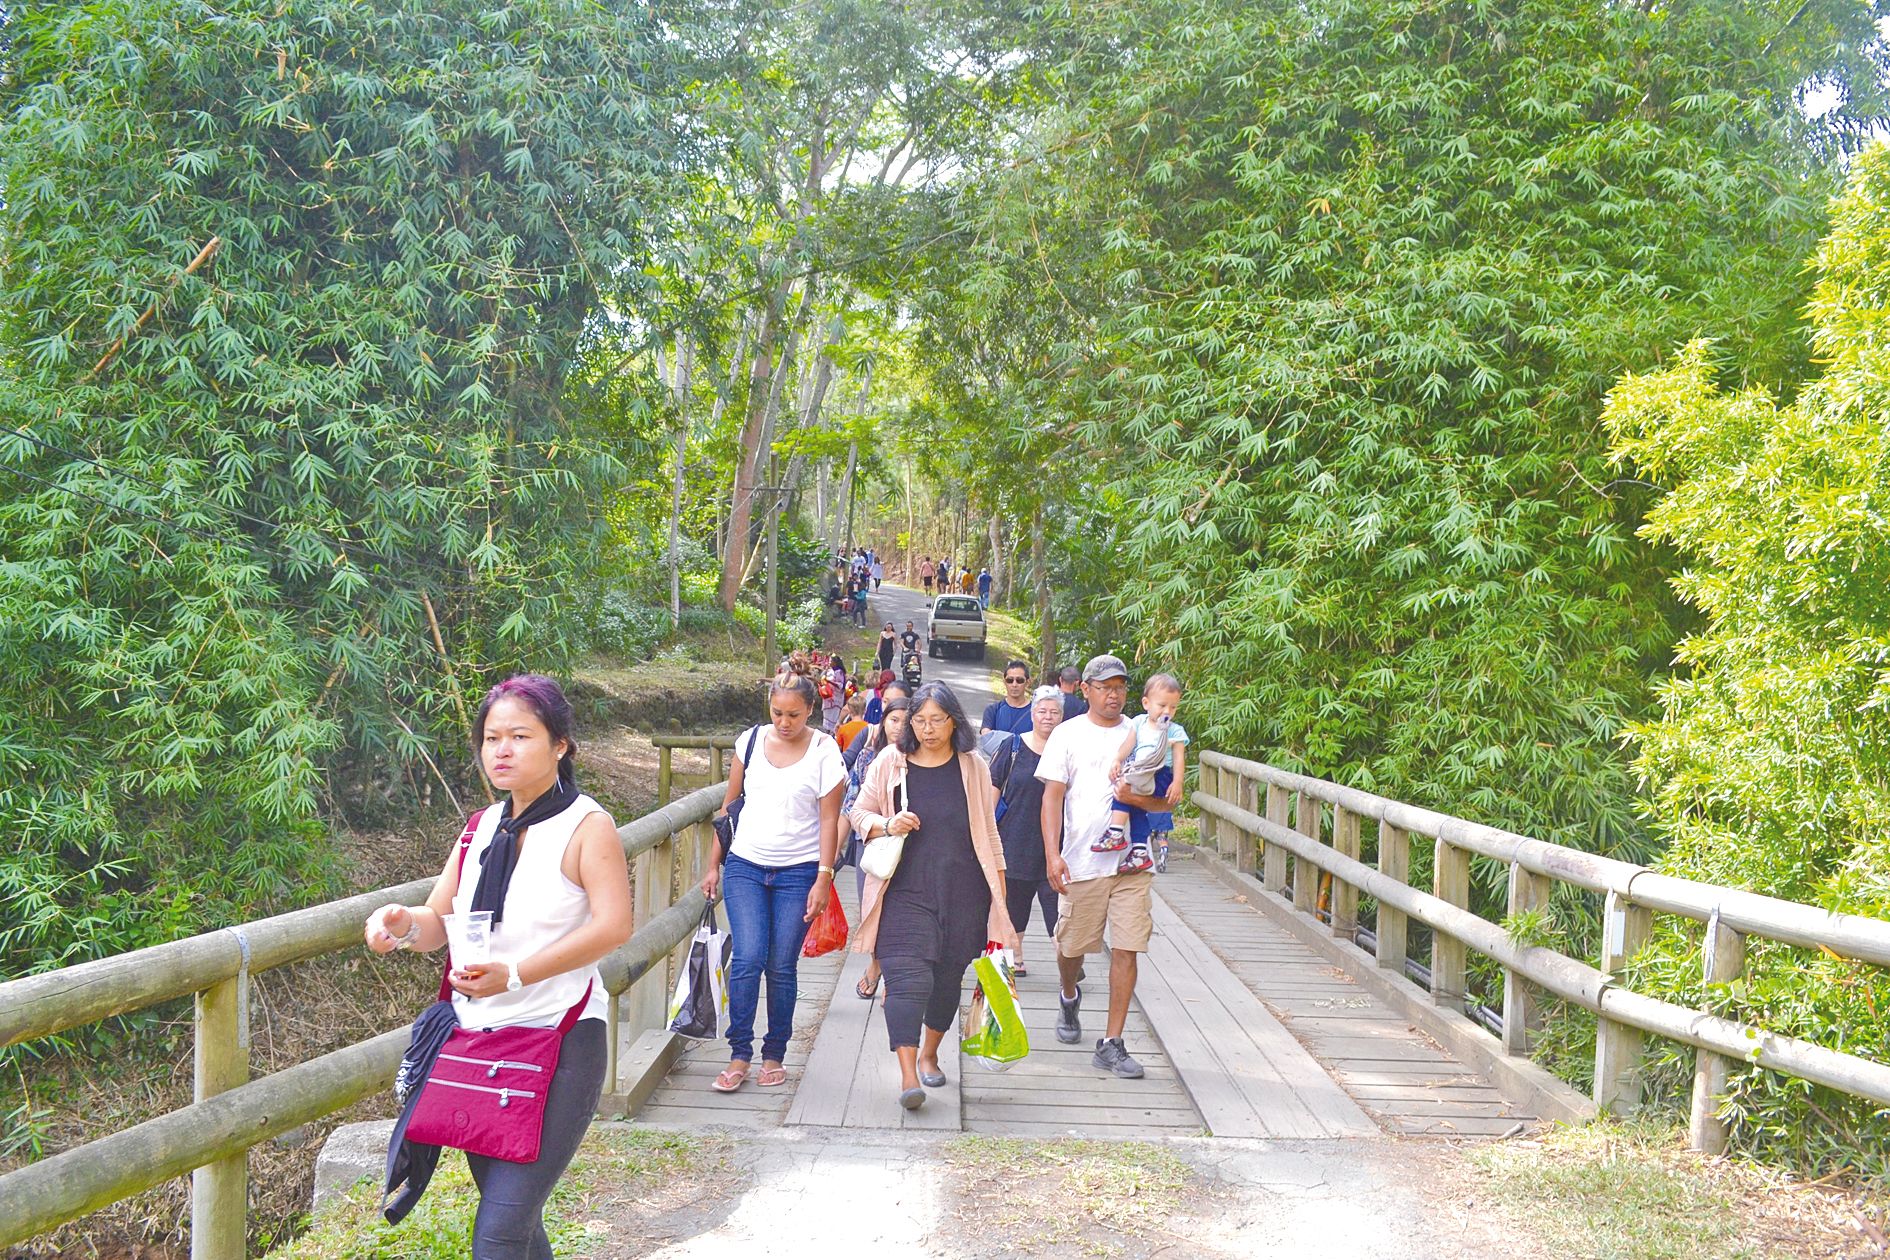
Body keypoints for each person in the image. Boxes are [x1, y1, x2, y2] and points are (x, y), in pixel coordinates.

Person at [366, 675, 630, 1258]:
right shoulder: (479, 829)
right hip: (480, 1046)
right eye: (490, 739)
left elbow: (613, 927)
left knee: (499, 1233)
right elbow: (438, 921)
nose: (501, 751)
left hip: (560, 1041)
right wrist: (400, 924)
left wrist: (514, 975)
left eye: (519, 736)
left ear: (561, 745)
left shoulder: (587, 827)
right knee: (518, 1228)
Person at [848, 683, 1018, 1109]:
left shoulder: (973, 766)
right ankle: (908, 1075)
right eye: (918, 720)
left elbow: (990, 835)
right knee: (908, 978)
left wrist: (1002, 905)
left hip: (964, 893)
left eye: (936, 720)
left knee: (945, 980)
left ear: (954, 722)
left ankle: (929, 1053)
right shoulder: (891, 761)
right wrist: (888, 824)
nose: (926, 729)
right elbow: (858, 813)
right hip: (903, 891)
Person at [699, 673, 846, 1093]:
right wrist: (714, 864)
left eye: (794, 715)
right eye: (777, 712)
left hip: (799, 870)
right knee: (747, 958)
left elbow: (829, 819)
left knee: (781, 964)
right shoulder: (750, 741)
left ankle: (774, 1053)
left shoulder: (824, 751)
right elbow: (728, 808)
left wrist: (824, 876)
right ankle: (739, 1053)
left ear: (810, 711)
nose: (784, 722)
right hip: (745, 864)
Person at [1036, 654, 1150, 1079]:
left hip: (1132, 862)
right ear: (1085, 690)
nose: (1113, 694)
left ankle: (1112, 1042)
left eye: (1120, 686)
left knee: (1127, 946)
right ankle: (1069, 993)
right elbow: (1052, 798)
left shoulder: (1143, 733)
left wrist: (1142, 799)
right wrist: (1052, 852)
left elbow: (1163, 799)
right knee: (1072, 947)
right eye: (1104, 686)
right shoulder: (1067, 735)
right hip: (1083, 860)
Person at [988, 686, 1064, 976]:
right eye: (1042, 711)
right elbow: (993, 790)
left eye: (1054, 712)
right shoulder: (1013, 746)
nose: (1048, 717)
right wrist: (985, 833)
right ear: (1032, 713)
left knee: (1056, 907)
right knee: (1015, 906)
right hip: (1014, 840)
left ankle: (1068, 965)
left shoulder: (1066, 750)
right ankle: (1015, 958)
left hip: (1056, 844)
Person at [840, 695, 909, 1001]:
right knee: (872, 912)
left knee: (897, 915)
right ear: (883, 721)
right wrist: (829, 860)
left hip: (905, 847)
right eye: (894, 720)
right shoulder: (868, 754)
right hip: (869, 843)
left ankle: (889, 977)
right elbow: (850, 806)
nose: (899, 728)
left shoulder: (916, 759)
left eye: (907, 722)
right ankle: (875, 966)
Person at [1100, 674, 1189, 874]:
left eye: (1173, 707)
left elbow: (1179, 758)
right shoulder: (1139, 722)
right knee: (1136, 806)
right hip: (1141, 770)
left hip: (1160, 774)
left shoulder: (1175, 731)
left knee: (1125, 791)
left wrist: (1177, 782)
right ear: (1146, 703)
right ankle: (1140, 850)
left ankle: (1116, 832)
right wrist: (1117, 759)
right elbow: (1129, 744)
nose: (1167, 711)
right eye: (1162, 705)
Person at [856, 676, 912, 757]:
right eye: (885, 701)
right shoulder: (869, 732)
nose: (888, 706)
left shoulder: (916, 750)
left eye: (896, 702)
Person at [980, 661, 1036, 738]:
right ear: (1004, 682)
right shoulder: (993, 710)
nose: (1014, 684)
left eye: (1019, 680)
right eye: (1010, 680)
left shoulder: (1037, 712)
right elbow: (986, 737)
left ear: (1028, 682)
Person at [822, 655, 849, 735]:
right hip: (828, 698)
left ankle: (833, 733)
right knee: (827, 715)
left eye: (831, 661)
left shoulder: (839, 672)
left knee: (833, 717)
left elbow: (840, 686)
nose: (829, 662)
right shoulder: (829, 671)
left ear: (835, 662)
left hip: (835, 700)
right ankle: (826, 732)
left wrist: (829, 682)